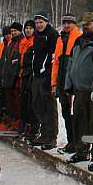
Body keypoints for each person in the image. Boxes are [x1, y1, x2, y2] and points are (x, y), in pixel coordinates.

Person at [64, 12, 93, 165]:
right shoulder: (78, 41)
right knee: (79, 121)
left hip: (92, 89)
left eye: (88, 24)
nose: (85, 27)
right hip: (78, 88)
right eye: (83, 24)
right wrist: (68, 84)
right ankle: (81, 150)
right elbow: (71, 64)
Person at [51, 14, 81, 154]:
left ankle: (78, 143)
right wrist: (54, 82)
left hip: (73, 84)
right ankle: (71, 141)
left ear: (74, 24)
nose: (67, 25)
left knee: (74, 114)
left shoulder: (78, 37)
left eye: (70, 23)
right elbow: (56, 63)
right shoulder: (60, 39)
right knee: (65, 113)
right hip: (62, 82)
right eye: (65, 23)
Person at [31, 12, 59, 150]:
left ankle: (52, 136)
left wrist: (49, 73)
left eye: (41, 22)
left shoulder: (52, 35)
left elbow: (54, 55)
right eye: (36, 23)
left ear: (46, 22)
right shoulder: (36, 35)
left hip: (47, 75)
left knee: (49, 106)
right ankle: (44, 132)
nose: (39, 25)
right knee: (37, 105)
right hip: (36, 74)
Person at [0, 23, 23, 127]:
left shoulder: (21, 42)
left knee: (17, 101)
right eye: (12, 31)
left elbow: (18, 60)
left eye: (15, 31)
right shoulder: (11, 43)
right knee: (10, 100)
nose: (13, 33)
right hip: (8, 76)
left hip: (16, 77)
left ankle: (18, 120)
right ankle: (13, 119)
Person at [18, 20, 36, 139]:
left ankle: (32, 128)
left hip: (31, 73)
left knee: (31, 101)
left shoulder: (35, 41)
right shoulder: (23, 42)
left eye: (30, 28)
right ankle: (23, 125)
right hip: (23, 73)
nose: (28, 30)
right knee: (23, 100)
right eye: (26, 28)